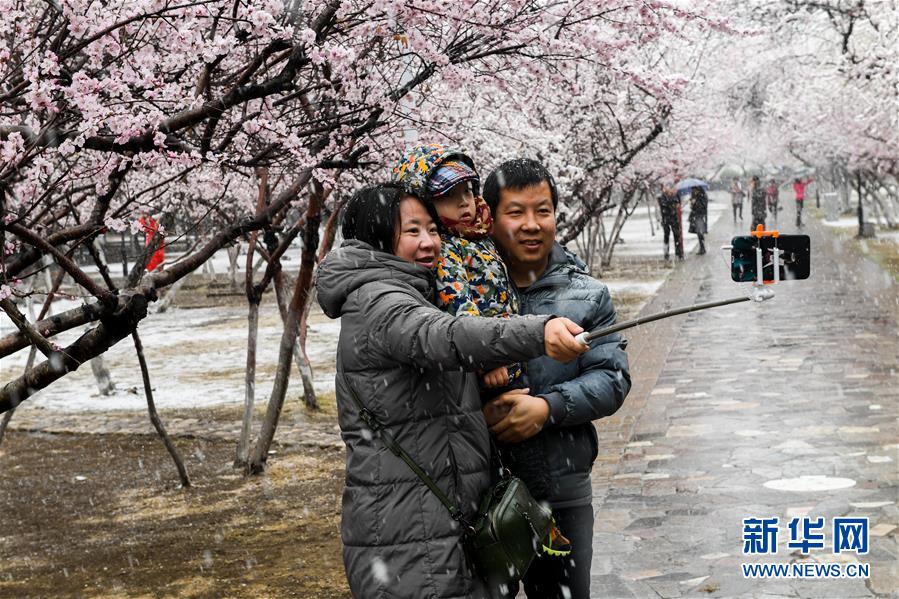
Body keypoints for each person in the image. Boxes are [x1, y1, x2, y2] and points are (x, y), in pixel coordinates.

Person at [315, 184, 589, 599]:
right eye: (412, 232)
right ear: (376, 238)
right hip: (412, 535)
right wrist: (538, 331)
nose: (429, 243)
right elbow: (444, 335)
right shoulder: (379, 302)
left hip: (433, 524)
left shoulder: (411, 292)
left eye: (431, 228)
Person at [391, 143, 572, 555]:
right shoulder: (447, 251)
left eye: (469, 192)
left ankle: (534, 524)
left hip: (504, 352)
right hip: (492, 361)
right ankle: (536, 526)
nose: (467, 204)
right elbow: (461, 310)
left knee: (517, 452)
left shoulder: (478, 237)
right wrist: (491, 358)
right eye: (451, 199)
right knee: (516, 454)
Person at [483, 159, 632, 599]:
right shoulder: (463, 290)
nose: (532, 225)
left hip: (562, 489)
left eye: (542, 210)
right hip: (480, 492)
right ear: (489, 217)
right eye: (516, 212)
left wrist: (548, 408)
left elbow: (612, 378)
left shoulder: (587, 295)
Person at [657, 184, 684, 261]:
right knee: (666, 236)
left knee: (677, 235)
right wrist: (673, 204)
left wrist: (676, 203)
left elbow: (678, 202)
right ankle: (666, 253)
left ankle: (679, 253)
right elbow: (664, 205)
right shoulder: (662, 197)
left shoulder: (675, 195)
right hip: (666, 219)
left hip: (674, 219)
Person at [688, 186, 708, 255]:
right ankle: (702, 247)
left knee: (700, 232)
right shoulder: (695, 197)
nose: (694, 192)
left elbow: (703, 207)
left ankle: (702, 248)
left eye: (695, 190)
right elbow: (693, 208)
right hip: (695, 216)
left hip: (700, 216)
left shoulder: (702, 197)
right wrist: (692, 204)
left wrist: (695, 202)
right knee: (698, 232)